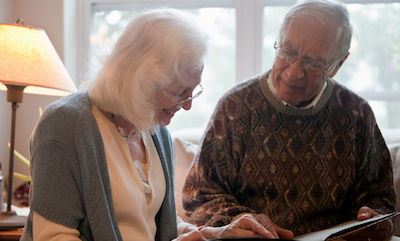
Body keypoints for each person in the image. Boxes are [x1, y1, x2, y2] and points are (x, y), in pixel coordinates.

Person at [20, 8, 276, 241]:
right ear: (139, 81)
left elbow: (156, 223)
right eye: (179, 92)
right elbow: (53, 237)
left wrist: (212, 234)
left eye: (193, 91)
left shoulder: (155, 130)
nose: (187, 105)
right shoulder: (63, 125)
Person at [182, 0, 396, 240]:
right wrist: (244, 221)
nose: (293, 73)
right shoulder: (237, 107)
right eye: (288, 52)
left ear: (338, 65)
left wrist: (375, 220)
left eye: (313, 63)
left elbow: (380, 199)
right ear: (278, 41)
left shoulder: (357, 114)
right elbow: (199, 195)